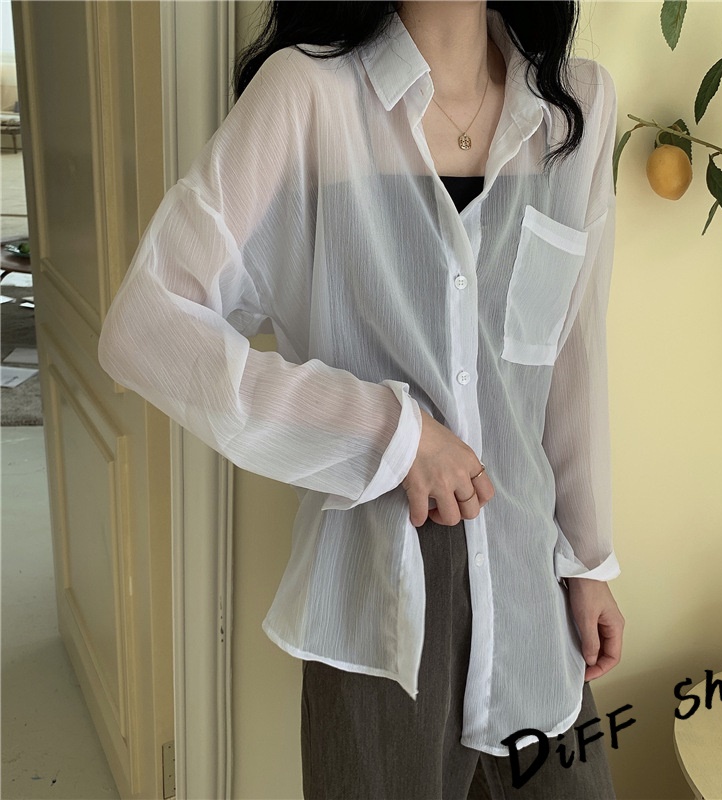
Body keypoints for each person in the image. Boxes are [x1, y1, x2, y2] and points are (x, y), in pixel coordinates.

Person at [97, 1, 625, 797]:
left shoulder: (575, 106)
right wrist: (391, 431)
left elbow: (572, 357)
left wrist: (586, 561)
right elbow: (147, 327)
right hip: (384, 597)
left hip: (532, 584)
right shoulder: (308, 95)